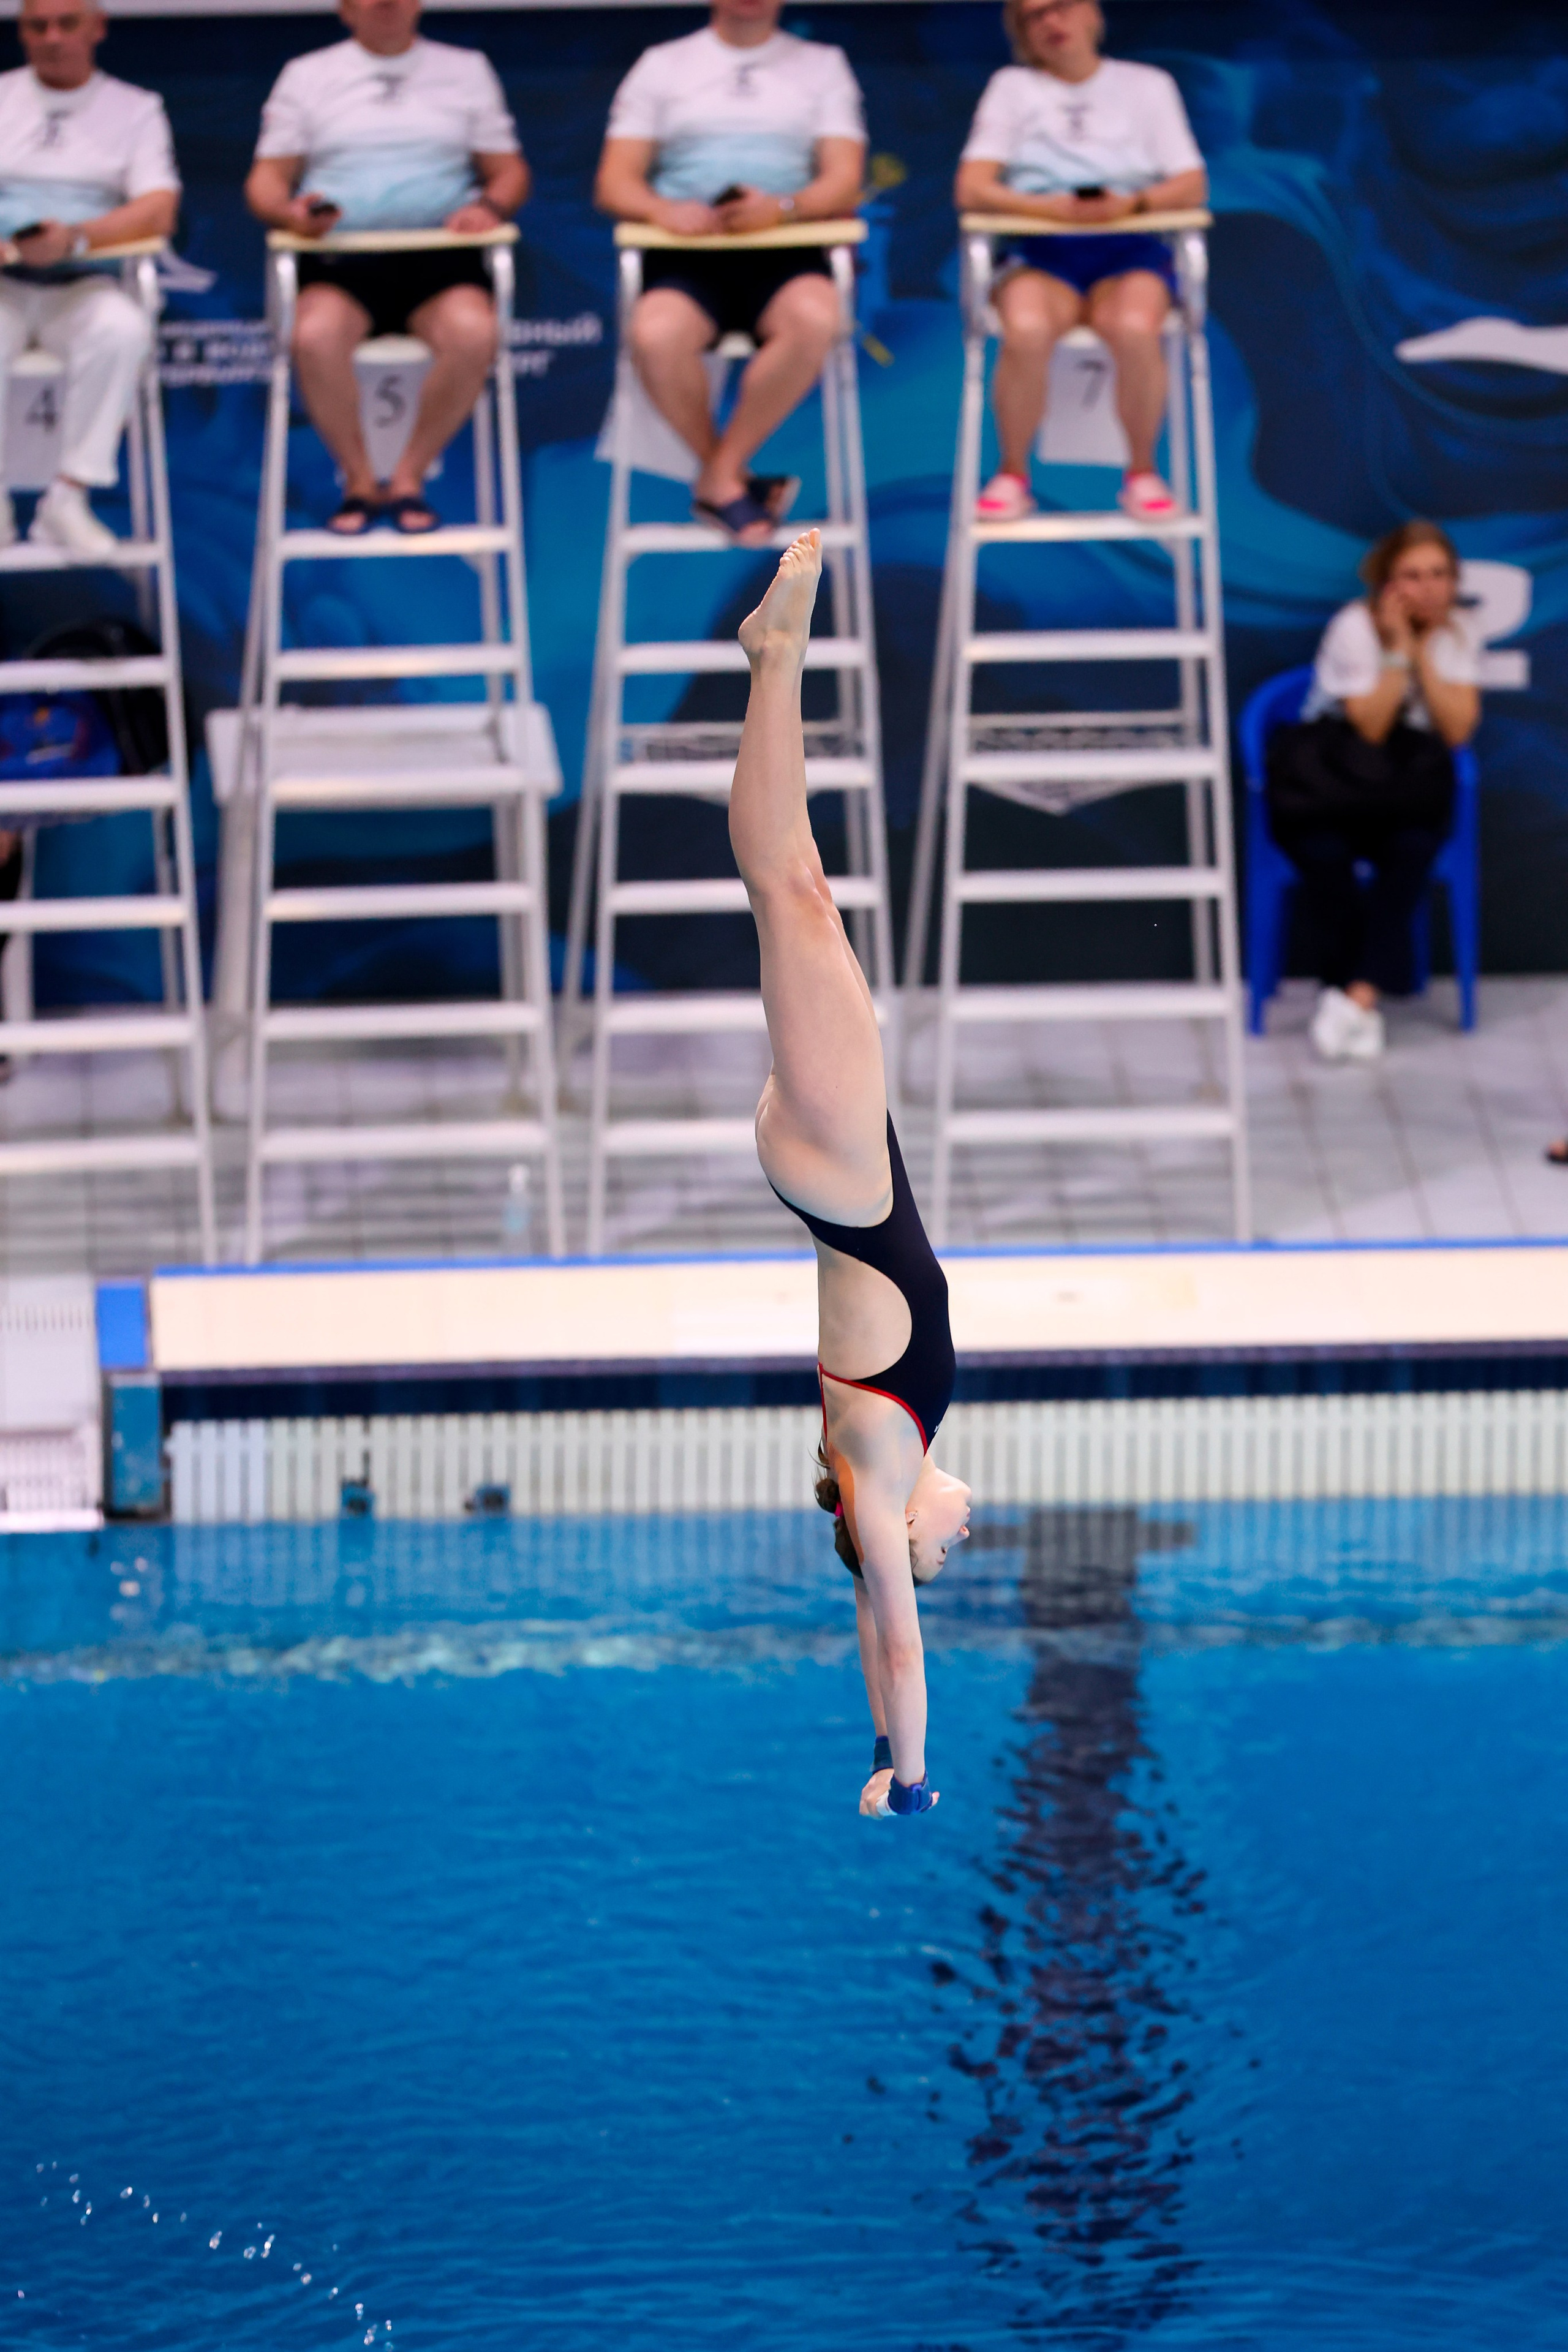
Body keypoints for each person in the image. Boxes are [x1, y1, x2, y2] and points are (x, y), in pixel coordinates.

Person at [730, 528, 973, 1816]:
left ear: (901, 1544)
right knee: (799, 888)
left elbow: (896, 1638)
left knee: (789, 888)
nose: (953, 1547)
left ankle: (774, 658)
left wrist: (909, 1773)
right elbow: (883, 1634)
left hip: (841, 1174)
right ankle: (775, 661)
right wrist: (881, 1744)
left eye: (938, 1562)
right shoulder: (887, 1456)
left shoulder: (881, 1483)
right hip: (835, 1168)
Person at [244, 0, 527, 534]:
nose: (386, 3)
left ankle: (407, 478)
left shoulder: (465, 70)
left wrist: (489, 208)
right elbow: (266, 182)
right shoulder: (307, 75)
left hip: (440, 262)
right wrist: (290, 214)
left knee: (474, 332)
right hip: (341, 262)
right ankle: (358, 481)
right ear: (346, 9)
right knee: (313, 336)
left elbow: (508, 172)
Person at [595, 0, 866, 545]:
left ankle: (719, 477)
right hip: (687, 254)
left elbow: (844, 179)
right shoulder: (662, 65)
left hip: (786, 252)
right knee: (656, 334)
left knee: (817, 318)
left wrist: (783, 208)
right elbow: (614, 183)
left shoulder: (824, 65)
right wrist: (661, 210)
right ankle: (730, 479)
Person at [955, 0, 1206, 523]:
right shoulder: (1012, 88)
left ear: (1092, 13)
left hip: (1129, 247)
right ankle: (1012, 474)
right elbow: (972, 187)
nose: (1051, 22)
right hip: (1041, 250)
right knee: (1026, 328)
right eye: (1034, 16)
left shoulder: (1147, 85)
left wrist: (1131, 205)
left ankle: (1142, 474)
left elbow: (1191, 183)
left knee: (1135, 327)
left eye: (1061, 7)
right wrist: (1046, 209)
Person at [1268, 521, 1480, 1063]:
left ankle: (1354, 997)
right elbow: (1370, 726)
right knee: (1325, 855)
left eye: (1439, 575)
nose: (1427, 588)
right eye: (1413, 576)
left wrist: (1423, 651)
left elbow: (1457, 730)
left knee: (1413, 850)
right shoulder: (1354, 626)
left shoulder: (1460, 632)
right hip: (1328, 790)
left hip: (1403, 797)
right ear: (1387, 583)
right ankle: (1356, 996)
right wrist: (1396, 650)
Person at [0, 0, 179, 555]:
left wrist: (76, 238)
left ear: (98, 27)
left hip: (85, 283)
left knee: (123, 329)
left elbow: (159, 208)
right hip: (3, 284)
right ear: (22, 32)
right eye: (38, 26)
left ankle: (68, 497)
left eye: (67, 23)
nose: (53, 37)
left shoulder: (136, 109)